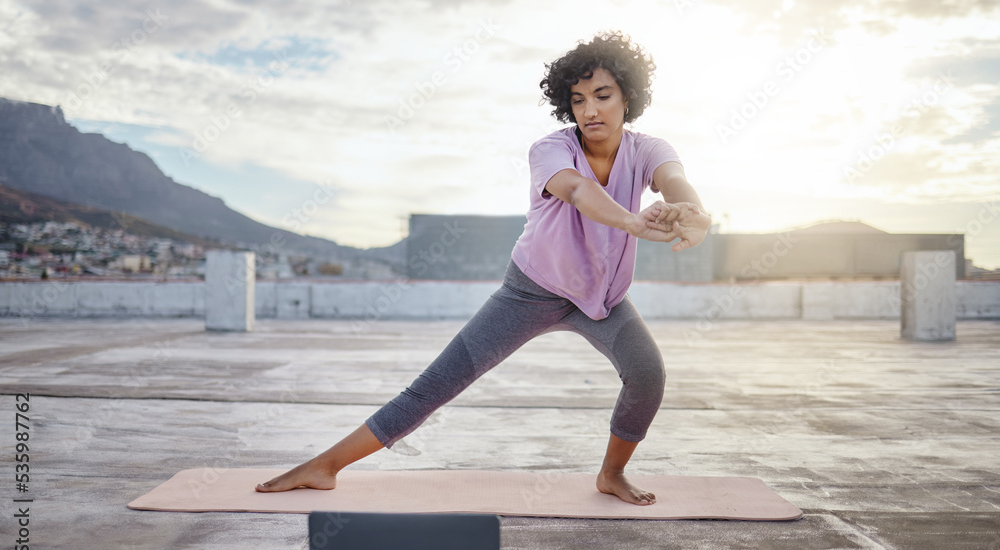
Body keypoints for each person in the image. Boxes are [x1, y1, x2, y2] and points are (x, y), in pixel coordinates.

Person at [257, 31, 711, 505]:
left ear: (627, 97)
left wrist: (695, 216)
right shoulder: (550, 149)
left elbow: (675, 182)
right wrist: (633, 222)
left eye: (602, 96)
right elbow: (578, 192)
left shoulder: (647, 149)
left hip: (602, 298)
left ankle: (611, 474)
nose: (590, 110)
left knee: (647, 375)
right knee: (436, 384)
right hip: (531, 291)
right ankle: (323, 466)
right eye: (577, 100)